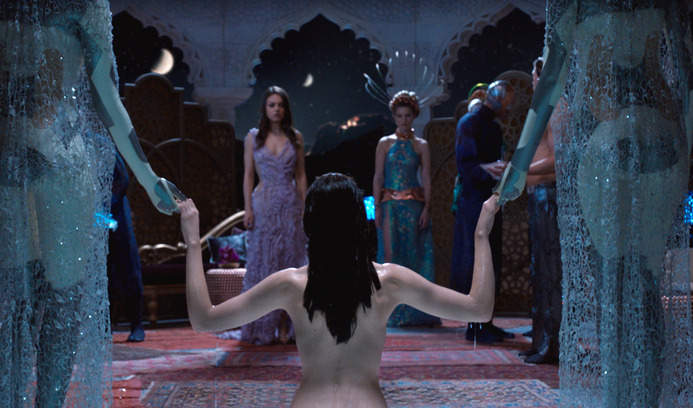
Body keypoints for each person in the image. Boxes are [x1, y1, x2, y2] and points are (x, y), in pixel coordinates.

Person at [0, 1, 181, 406]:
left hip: (0, 156)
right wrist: (148, 178)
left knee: (19, 301)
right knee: (60, 299)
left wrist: (148, 179)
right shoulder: (83, 3)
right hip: (58, 157)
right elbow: (106, 97)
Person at [495, 1, 693, 406]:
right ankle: (644, 401)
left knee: (613, 285)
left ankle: (622, 398)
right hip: (664, 142)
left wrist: (518, 166)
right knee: (646, 281)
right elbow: (687, 75)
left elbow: (551, 79)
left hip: (603, 144)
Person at [180, 173, 498, 408]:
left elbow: (204, 320)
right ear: (360, 221)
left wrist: (193, 242)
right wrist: (482, 234)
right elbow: (479, 309)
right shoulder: (388, 281)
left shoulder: (290, 285)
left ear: (310, 224)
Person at [241, 85, 307, 344]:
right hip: (264, 206)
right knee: (265, 265)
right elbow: (248, 175)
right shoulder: (253, 137)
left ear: (286, 109)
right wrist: (248, 208)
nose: (276, 109)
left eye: (280, 105)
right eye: (272, 105)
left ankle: (287, 325)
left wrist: (306, 207)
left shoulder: (296, 137)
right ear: (265, 109)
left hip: (290, 207)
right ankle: (264, 325)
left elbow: (301, 176)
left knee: (290, 263)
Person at [450, 80, 515, 343]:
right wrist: (487, 169)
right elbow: (466, 166)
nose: (509, 110)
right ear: (496, 100)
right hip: (473, 204)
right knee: (474, 260)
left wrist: (496, 170)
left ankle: (487, 321)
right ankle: (474, 325)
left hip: (490, 200)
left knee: (491, 260)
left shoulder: (494, 126)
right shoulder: (469, 122)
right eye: (508, 104)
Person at [373, 90, 440, 327]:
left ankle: (414, 312)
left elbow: (427, 178)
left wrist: (427, 208)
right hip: (390, 206)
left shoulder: (421, 145)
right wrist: (377, 207)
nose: (403, 120)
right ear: (394, 117)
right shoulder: (384, 143)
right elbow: (378, 177)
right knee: (390, 257)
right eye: (400, 116)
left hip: (413, 207)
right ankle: (389, 311)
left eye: (408, 116)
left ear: (414, 117)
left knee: (413, 256)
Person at [520, 57, 563, 364]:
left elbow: (560, 158)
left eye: (535, 75)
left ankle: (552, 344)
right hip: (538, 196)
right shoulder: (543, 107)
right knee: (539, 274)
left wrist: (520, 169)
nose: (533, 81)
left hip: (549, 195)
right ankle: (541, 341)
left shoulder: (559, 107)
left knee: (550, 274)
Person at [107, 151, 145, 343]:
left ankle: (137, 324)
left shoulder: (104, 144)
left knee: (128, 268)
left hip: (117, 213)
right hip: (94, 215)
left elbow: (123, 180)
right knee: (104, 272)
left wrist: (106, 203)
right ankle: (105, 327)